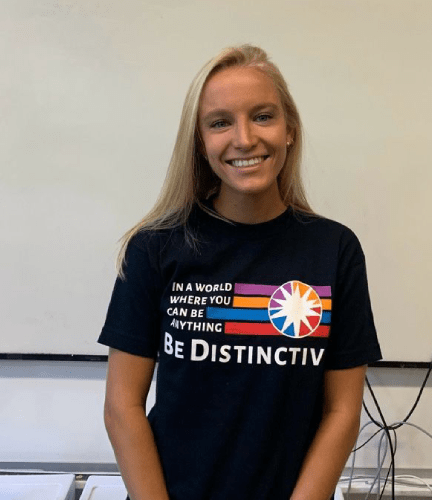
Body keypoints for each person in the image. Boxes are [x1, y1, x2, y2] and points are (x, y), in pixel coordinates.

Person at [99, 44, 382, 500]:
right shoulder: (154, 248)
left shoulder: (334, 250)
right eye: (219, 123)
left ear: (290, 130)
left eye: (263, 116)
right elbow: (122, 407)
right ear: (200, 142)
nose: (244, 139)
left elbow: (342, 412)